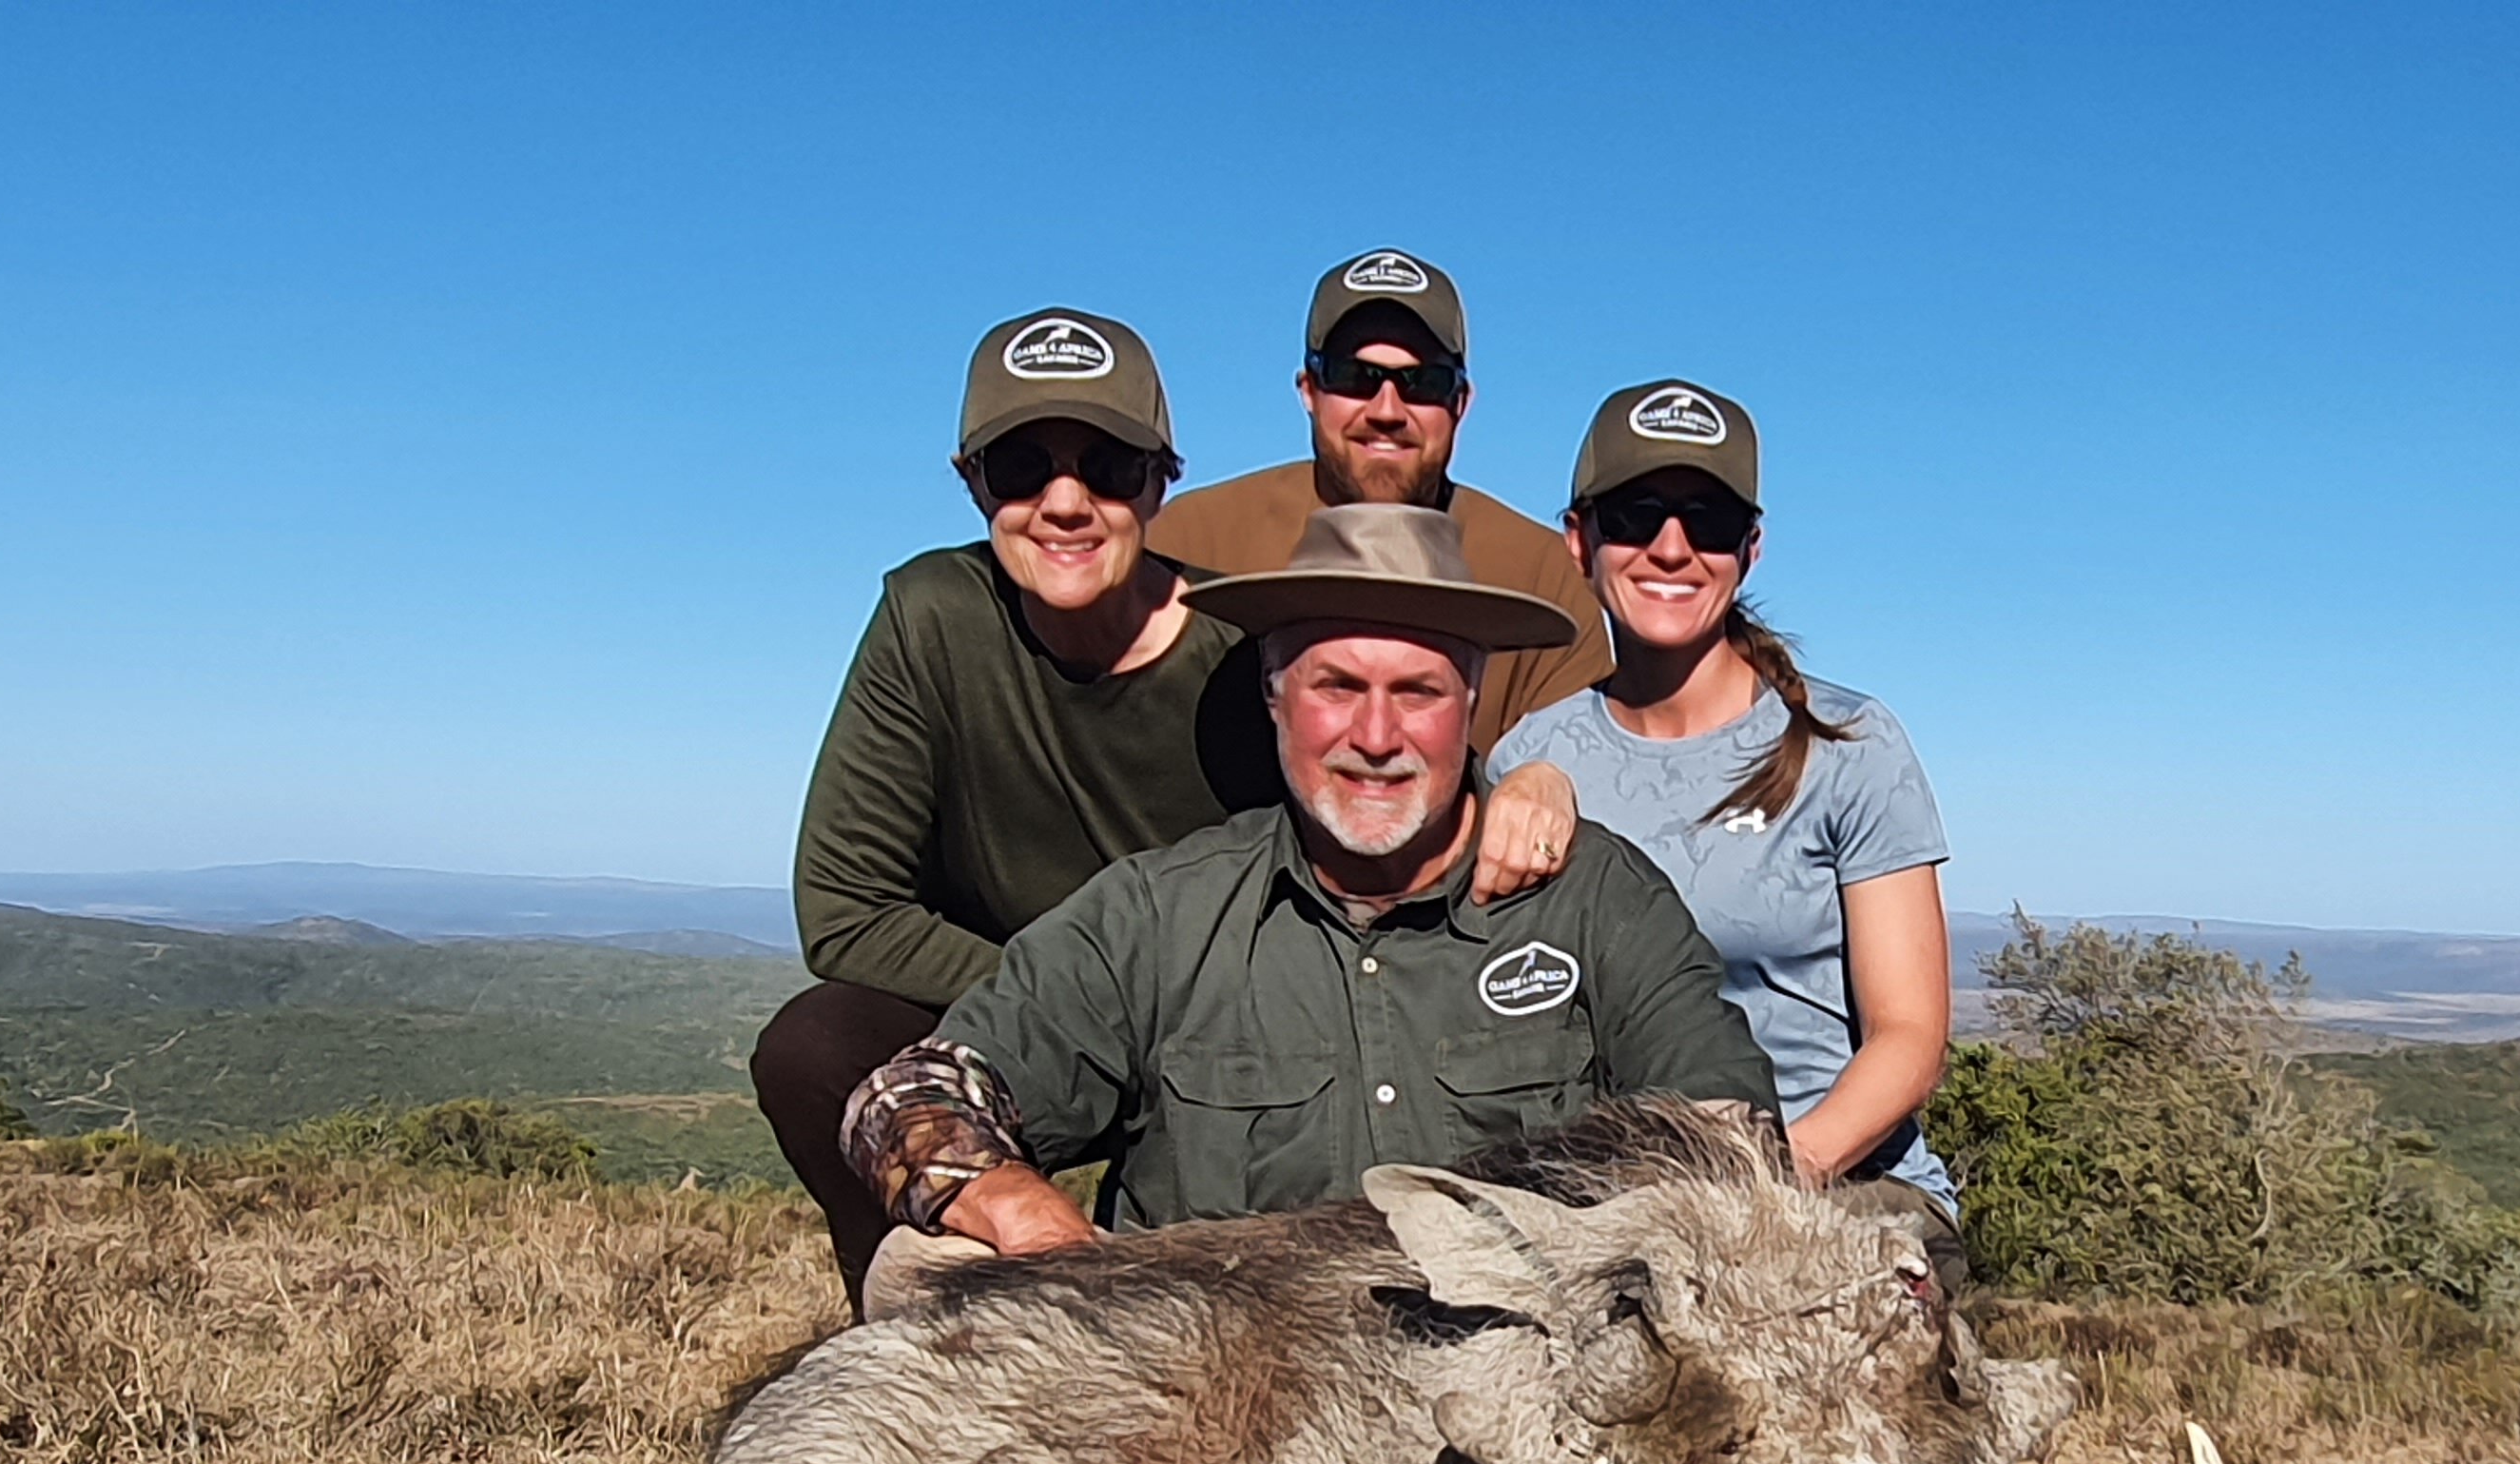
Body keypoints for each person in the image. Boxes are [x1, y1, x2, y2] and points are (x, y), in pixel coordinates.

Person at [839, 503, 1777, 1257]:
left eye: (1418, 692)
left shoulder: (1595, 900)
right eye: (1336, 687)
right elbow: (910, 1098)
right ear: (1275, 698)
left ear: (1470, 704)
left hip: (1526, 1420)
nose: (1376, 738)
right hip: (1218, 1426)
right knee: (921, 1273)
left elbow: (1734, 1137)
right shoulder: (1162, 915)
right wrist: (1024, 1219)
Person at [749, 309, 1300, 1308]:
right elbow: (846, 909)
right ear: (971, 482)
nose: (1063, 501)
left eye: (1108, 465)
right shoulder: (933, 618)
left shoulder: (1242, 652)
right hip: (1003, 1014)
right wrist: (1055, 1008)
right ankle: (911, 1331)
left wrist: (1530, 783)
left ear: (1161, 480)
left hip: (1212, 1024)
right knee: (813, 1047)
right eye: (1020, 466)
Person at [1486, 381, 1961, 1271]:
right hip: (1617, 1204)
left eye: (1706, 521)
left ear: (1750, 547)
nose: (1672, 548)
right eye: (1636, 515)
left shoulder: (1850, 745)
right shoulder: (1527, 761)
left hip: (1836, 1183)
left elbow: (1910, 1037)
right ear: (1579, 539)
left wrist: (1776, 1179)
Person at [1146, 249, 1617, 762]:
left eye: (1424, 383)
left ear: (1461, 403)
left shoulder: (1544, 582)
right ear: (1308, 389)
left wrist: (1541, 785)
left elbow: (1576, 763)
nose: (1387, 410)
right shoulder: (1187, 543)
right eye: (1354, 377)